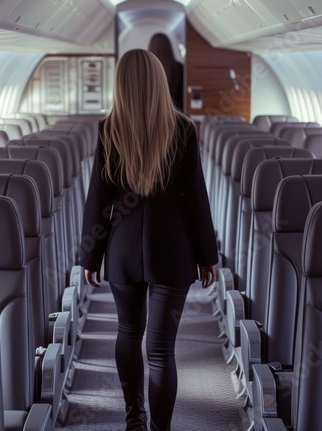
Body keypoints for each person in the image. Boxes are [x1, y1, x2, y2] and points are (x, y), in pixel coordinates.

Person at [79, 48, 218, 431]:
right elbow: (196, 199)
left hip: (123, 251)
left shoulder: (109, 129)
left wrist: (90, 256)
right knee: (160, 351)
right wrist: (208, 255)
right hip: (172, 253)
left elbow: (99, 200)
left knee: (128, 331)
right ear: (160, 81)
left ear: (121, 85)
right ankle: (160, 428)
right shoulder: (184, 129)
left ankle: (133, 417)